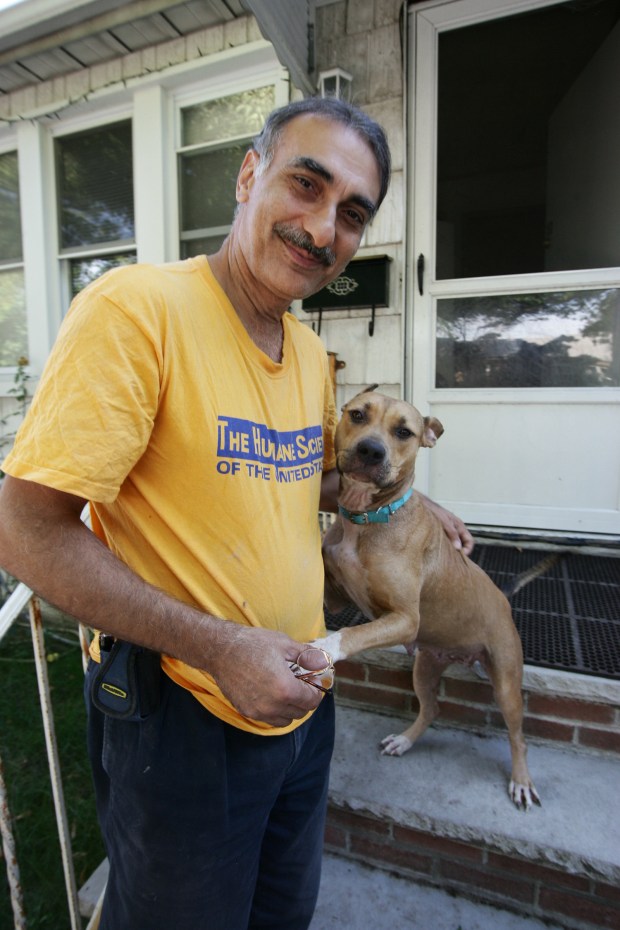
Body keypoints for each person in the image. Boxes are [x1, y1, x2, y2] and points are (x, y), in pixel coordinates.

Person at [0, 96, 472, 930]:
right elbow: (27, 531)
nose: (324, 229)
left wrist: (407, 495)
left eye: (352, 214)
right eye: (307, 184)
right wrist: (220, 647)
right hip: (183, 712)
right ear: (250, 174)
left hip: (302, 700)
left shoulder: (309, 360)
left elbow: (292, 484)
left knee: (279, 917)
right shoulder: (136, 310)